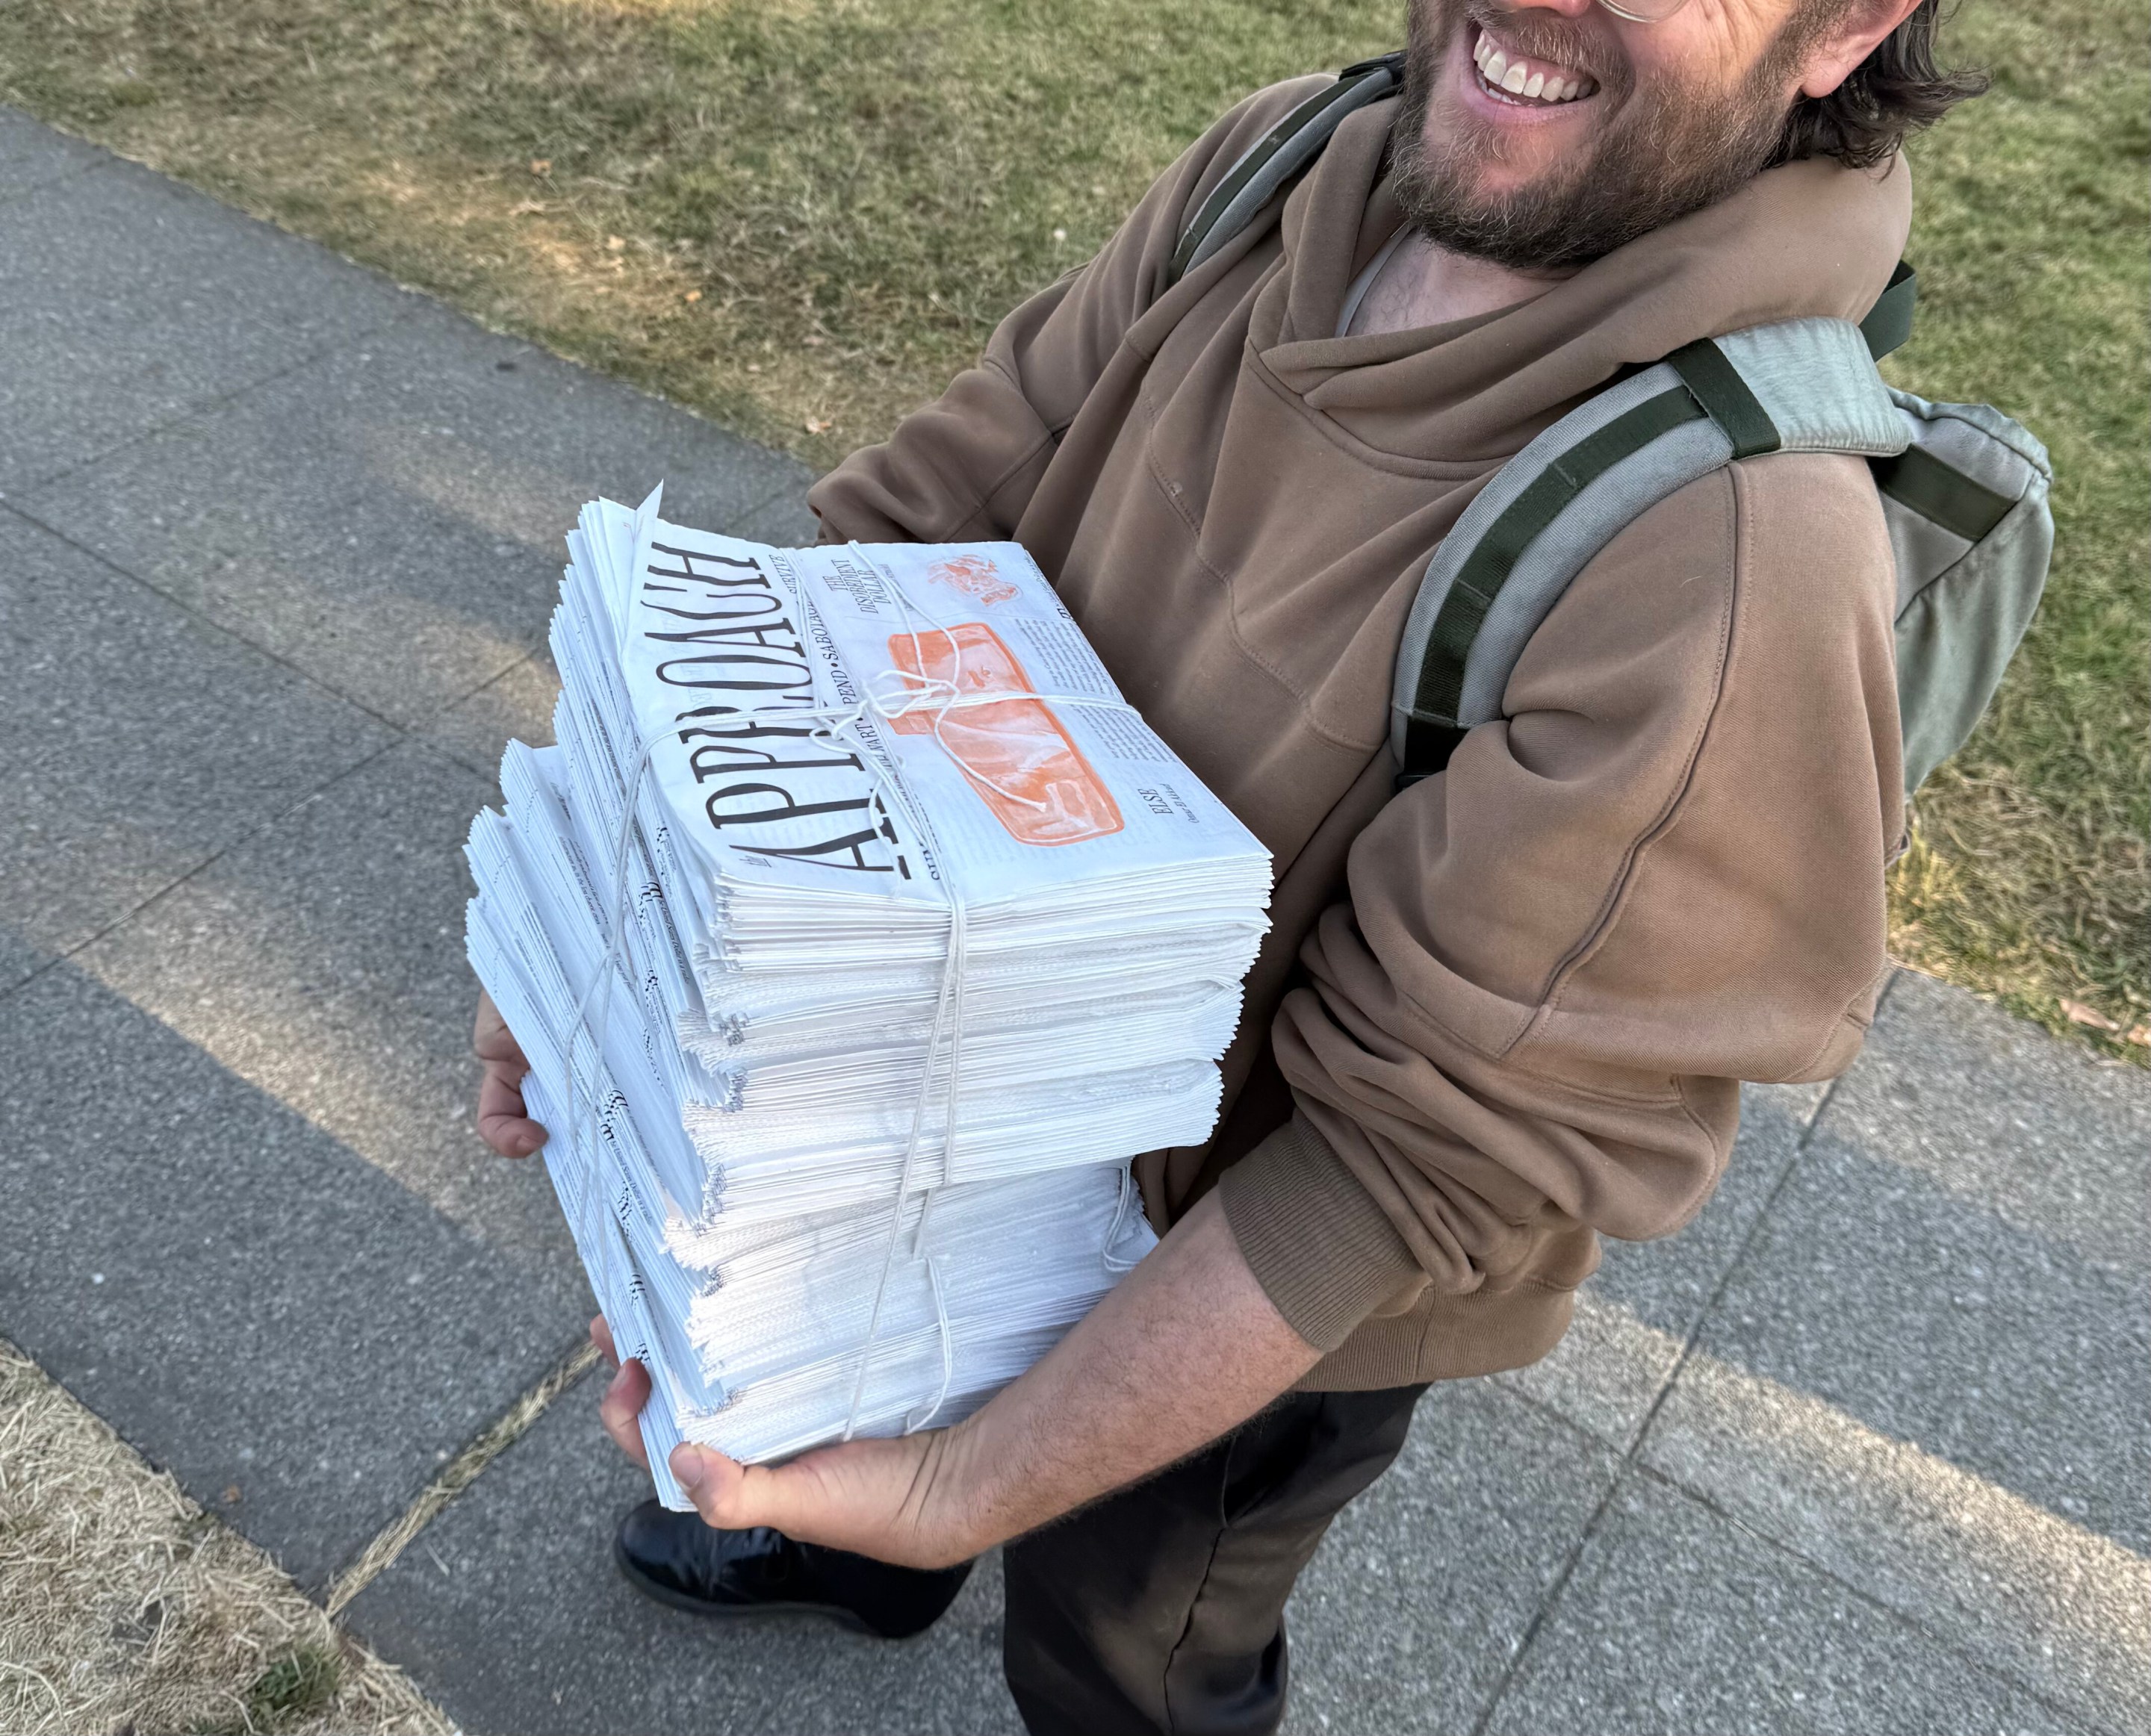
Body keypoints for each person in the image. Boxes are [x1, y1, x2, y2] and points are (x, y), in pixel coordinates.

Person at [474, 1, 1985, 1729]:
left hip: (1240, 1274)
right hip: (956, 1077)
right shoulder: (1286, 162)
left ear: (1846, 25)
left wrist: (968, 1483)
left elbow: (1396, 1170)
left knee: (1130, 1652)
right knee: (849, 1411)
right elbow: (934, 506)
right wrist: (609, 944)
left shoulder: (1733, 552)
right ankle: (852, 1552)